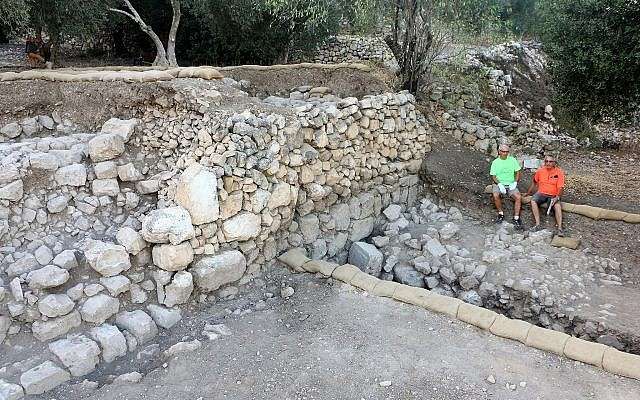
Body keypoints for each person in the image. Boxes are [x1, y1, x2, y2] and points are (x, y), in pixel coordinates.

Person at [526, 155, 566, 236]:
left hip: (553, 195)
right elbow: (534, 182)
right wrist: (528, 193)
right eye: (546, 161)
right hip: (541, 193)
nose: (548, 163)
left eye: (550, 161)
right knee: (533, 200)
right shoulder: (540, 171)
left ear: (554, 163)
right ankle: (537, 224)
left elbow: (561, 187)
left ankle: (560, 229)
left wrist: (557, 197)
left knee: (557, 206)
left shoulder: (559, 172)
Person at [490, 143, 523, 228]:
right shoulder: (495, 162)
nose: (505, 153)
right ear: (499, 151)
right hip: (499, 183)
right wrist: (499, 184)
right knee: (495, 195)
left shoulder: (512, 160)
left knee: (518, 197)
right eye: (503, 151)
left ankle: (516, 217)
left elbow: (517, 172)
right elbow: (493, 176)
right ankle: (501, 213)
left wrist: (515, 182)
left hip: (511, 183)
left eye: (507, 152)